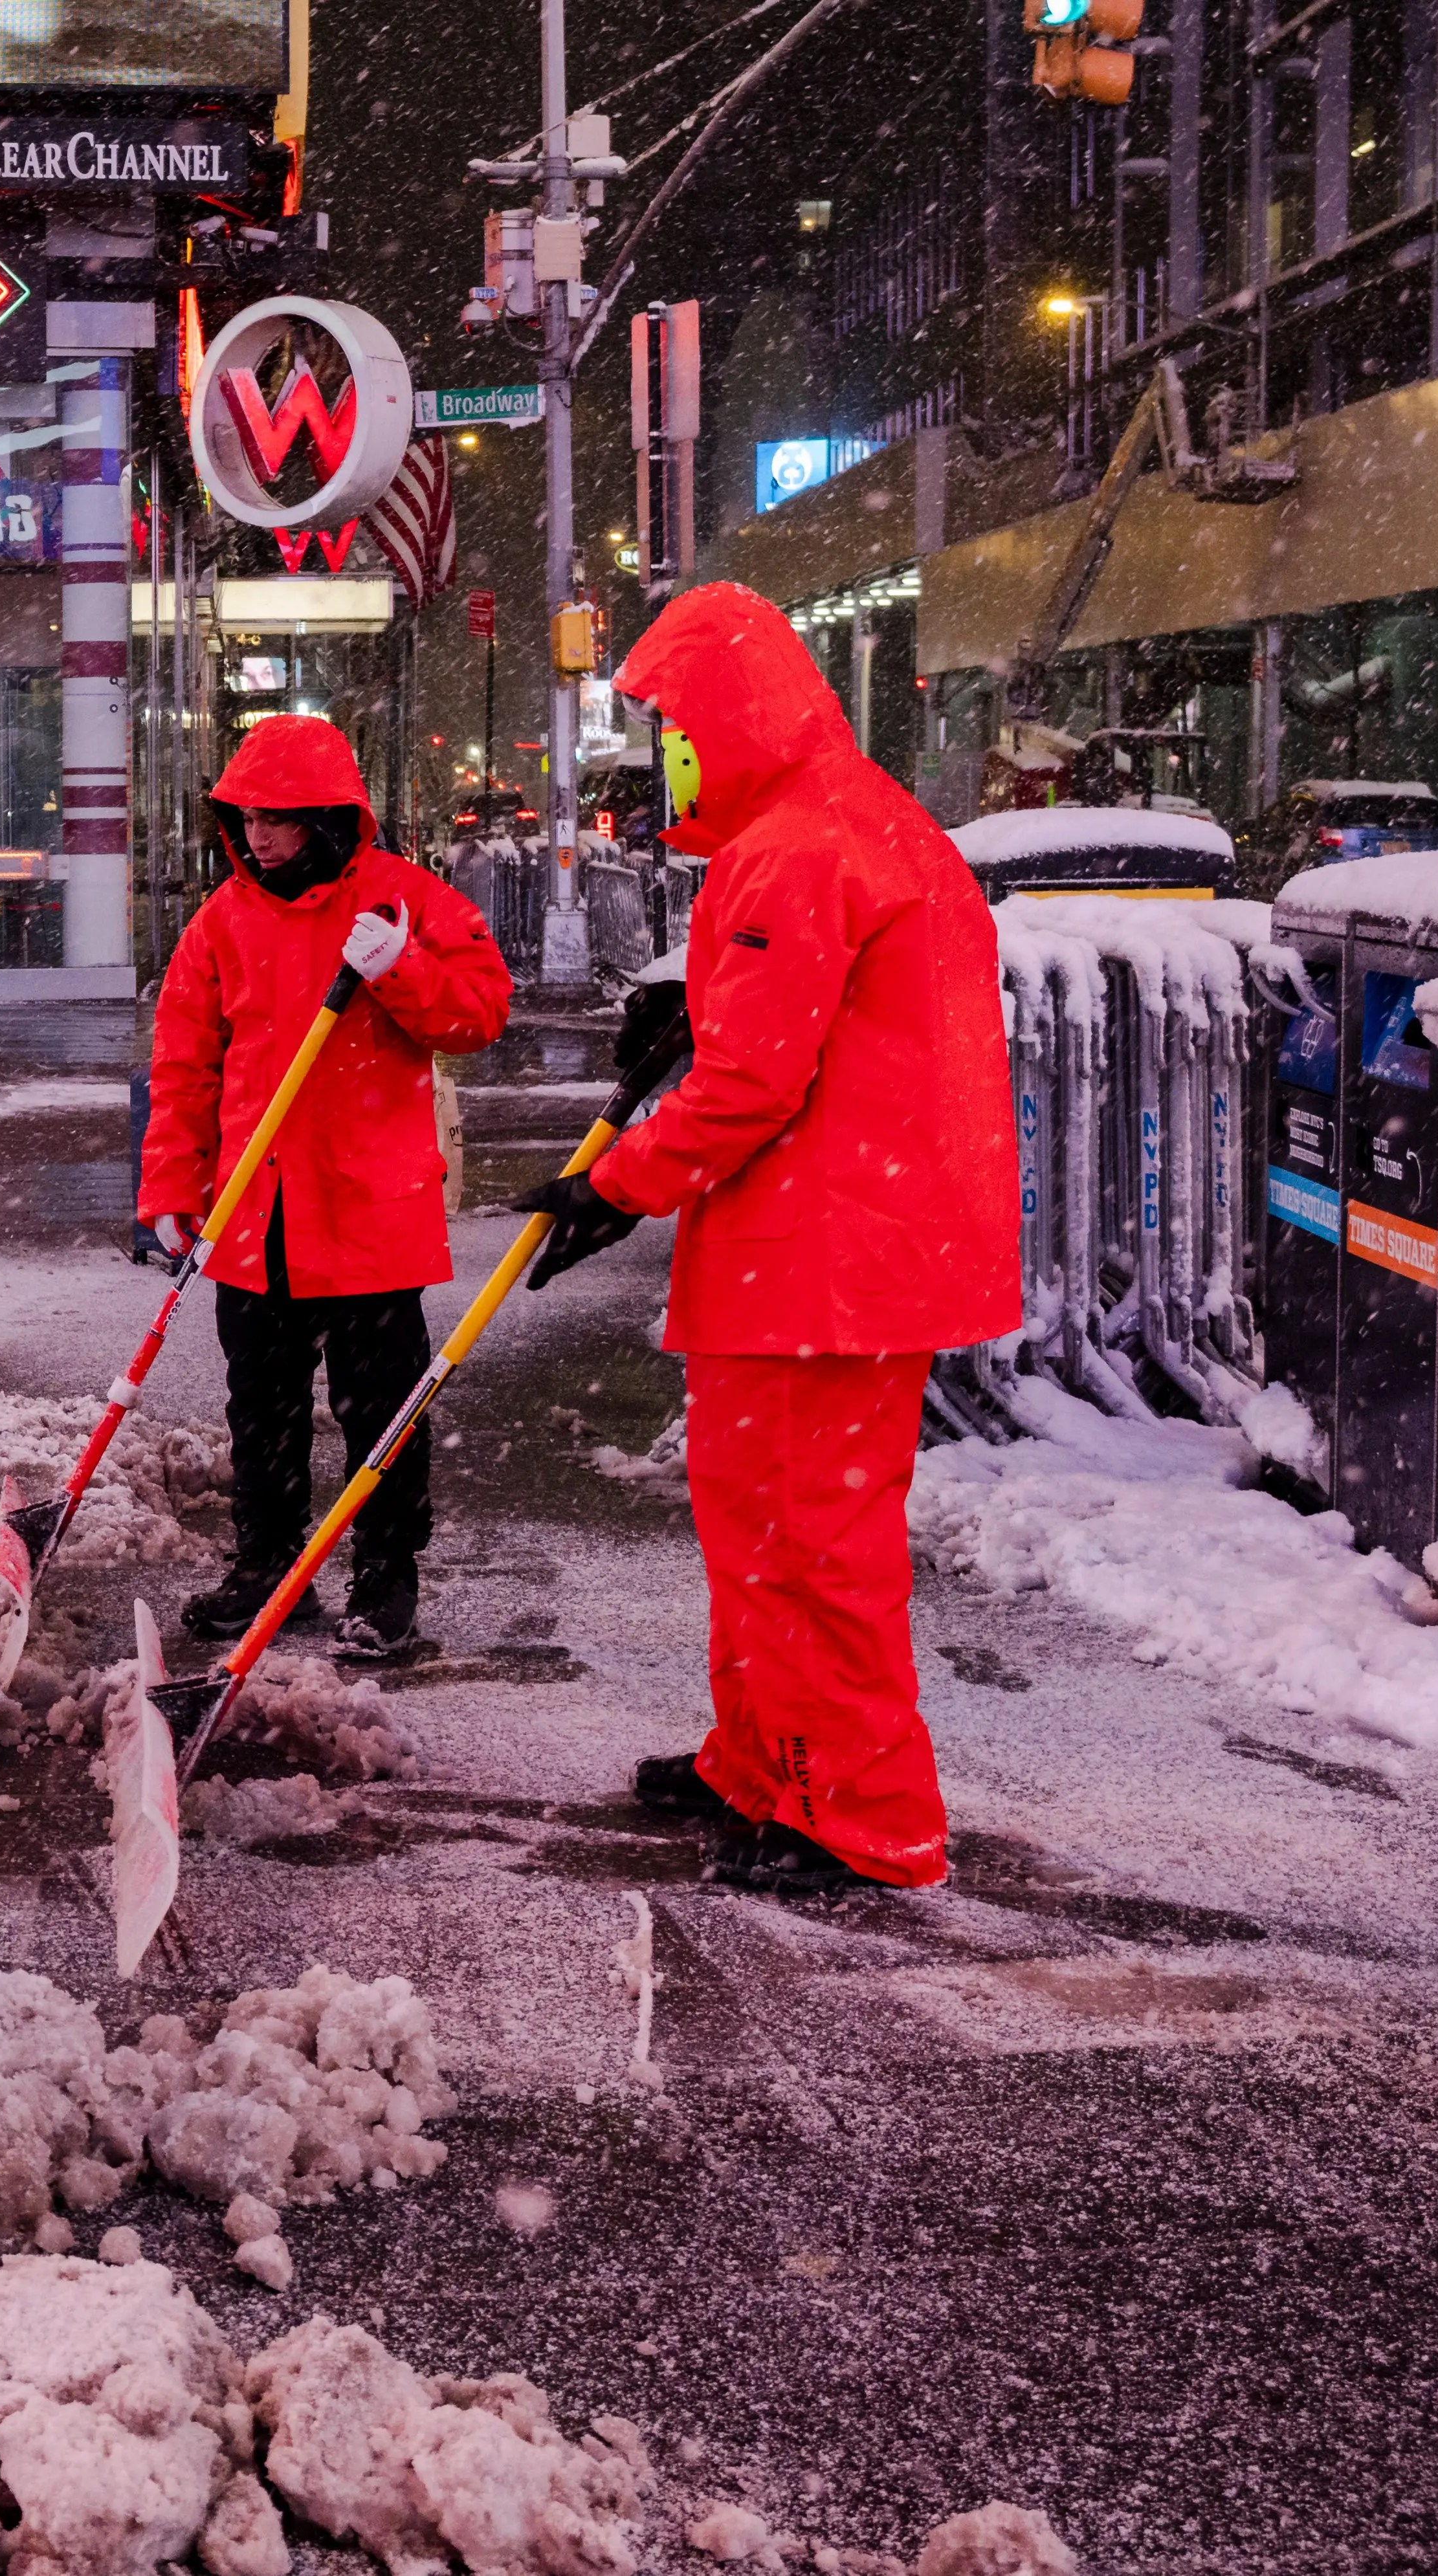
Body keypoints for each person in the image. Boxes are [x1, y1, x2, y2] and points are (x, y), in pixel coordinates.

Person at [507, 582, 1017, 1896]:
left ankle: (861, 1817)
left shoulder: (797, 843)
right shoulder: (851, 821)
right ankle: (763, 1758)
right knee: (759, 1531)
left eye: (673, 723)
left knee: (815, 1547)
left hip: (828, 1260)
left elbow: (753, 1083)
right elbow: (800, 1020)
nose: (663, 752)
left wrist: (617, 1184)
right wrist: (692, 1011)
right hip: (823, 1247)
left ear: (730, 716)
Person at [138, 714, 513, 1664]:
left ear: (331, 820)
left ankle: (386, 1579)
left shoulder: (402, 903)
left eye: (280, 818)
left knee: (379, 1411)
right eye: (246, 817)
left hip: (366, 1213)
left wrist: (402, 970)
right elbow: (184, 1066)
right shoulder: (221, 920)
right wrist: (169, 1189)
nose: (259, 836)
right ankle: (268, 1568)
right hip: (252, 1214)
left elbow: (477, 1015)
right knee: (257, 1410)